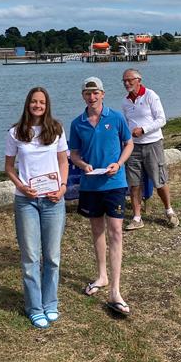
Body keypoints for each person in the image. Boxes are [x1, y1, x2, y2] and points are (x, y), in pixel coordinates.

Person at [4, 87, 69, 330]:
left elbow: (64, 161)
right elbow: (9, 167)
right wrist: (21, 186)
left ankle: (50, 302)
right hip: (26, 200)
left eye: (41, 102)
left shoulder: (57, 129)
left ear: (47, 105)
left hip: (53, 200)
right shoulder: (15, 132)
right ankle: (34, 307)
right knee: (30, 256)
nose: (37, 106)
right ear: (27, 104)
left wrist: (62, 188)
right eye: (33, 102)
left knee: (52, 256)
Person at [69, 76, 134, 316]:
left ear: (103, 94)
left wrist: (119, 163)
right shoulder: (78, 123)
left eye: (96, 92)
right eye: (88, 93)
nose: (92, 96)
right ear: (83, 95)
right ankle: (102, 276)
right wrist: (82, 164)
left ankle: (115, 290)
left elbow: (129, 143)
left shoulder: (116, 117)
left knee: (116, 231)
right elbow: (74, 153)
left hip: (115, 183)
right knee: (97, 231)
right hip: (90, 185)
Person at [121, 68, 179, 229]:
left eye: (130, 80)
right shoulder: (125, 102)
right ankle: (137, 218)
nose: (127, 83)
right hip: (133, 146)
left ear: (138, 79)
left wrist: (143, 130)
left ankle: (169, 211)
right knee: (134, 183)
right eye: (124, 81)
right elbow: (126, 124)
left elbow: (162, 119)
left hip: (153, 143)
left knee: (159, 180)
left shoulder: (150, 96)